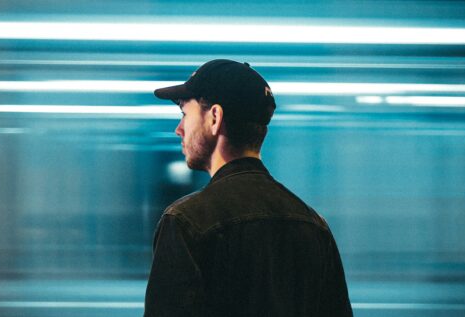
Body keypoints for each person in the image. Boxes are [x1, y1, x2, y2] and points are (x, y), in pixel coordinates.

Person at [145, 59, 353, 317]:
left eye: (185, 114)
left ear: (214, 118)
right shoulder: (313, 224)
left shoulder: (186, 222)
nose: (178, 129)